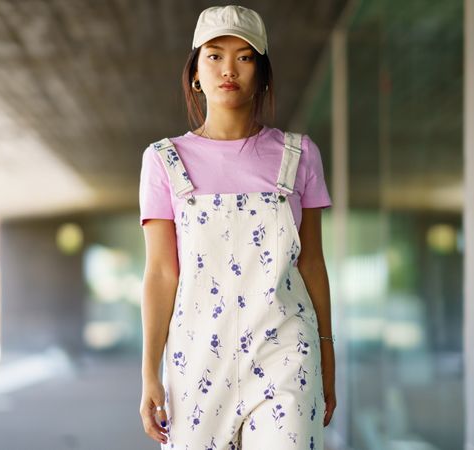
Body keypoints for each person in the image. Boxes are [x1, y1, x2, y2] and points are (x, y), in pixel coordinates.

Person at [138, 5, 336, 449]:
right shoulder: (163, 161)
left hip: (286, 353)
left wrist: (327, 354)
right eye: (214, 55)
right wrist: (150, 372)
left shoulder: (299, 155)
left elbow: (313, 264)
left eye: (245, 57)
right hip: (196, 362)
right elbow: (160, 272)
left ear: (263, 74)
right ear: (195, 73)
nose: (229, 69)